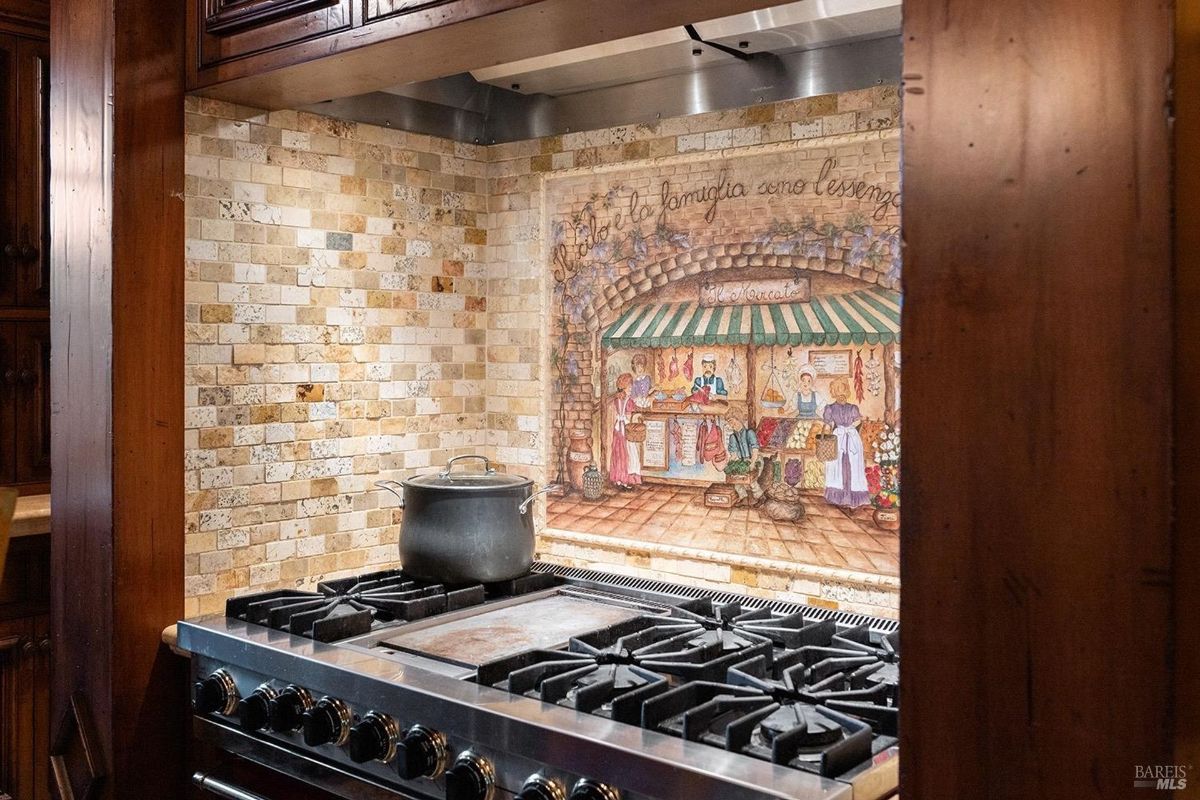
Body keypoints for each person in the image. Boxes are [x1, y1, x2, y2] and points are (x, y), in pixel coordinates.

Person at [822, 377, 869, 507]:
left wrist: (856, 424)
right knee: (838, 467)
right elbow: (828, 425)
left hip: (852, 439)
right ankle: (838, 498)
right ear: (833, 393)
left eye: (843, 390)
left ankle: (852, 498)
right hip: (838, 439)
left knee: (852, 467)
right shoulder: (830, 408)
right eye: (837, 391)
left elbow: (858, 421)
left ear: (847, 391)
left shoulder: (853, 408)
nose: (840, 394)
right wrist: (827, 432)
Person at [608, 373, 642, 489]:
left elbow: (617, 414)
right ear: (624, 386)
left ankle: (619, 479)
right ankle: (627, 479)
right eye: (629, 386)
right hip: (626, 428)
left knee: (618, 454)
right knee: (629, 453)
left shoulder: (616, 399)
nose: (631, 388)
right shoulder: (629, 401)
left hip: (617, 429)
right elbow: (629, 415)